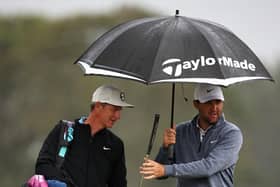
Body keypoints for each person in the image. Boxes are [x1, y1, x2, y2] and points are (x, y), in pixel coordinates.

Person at [140, 83, 243, 187]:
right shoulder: (180, 131)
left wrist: (166, 170)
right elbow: (160, 174)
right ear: (196, 104)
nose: (214, 108)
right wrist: (165, 148)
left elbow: (209, 167)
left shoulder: (231, 133)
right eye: (208, 102)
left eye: (218, 102)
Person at [35, 85, 134, 187]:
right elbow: (43, 166)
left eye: (119, 110)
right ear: (98, 106)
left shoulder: (115, 145)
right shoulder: (63, 130)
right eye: (114, 110)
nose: (118, 116)